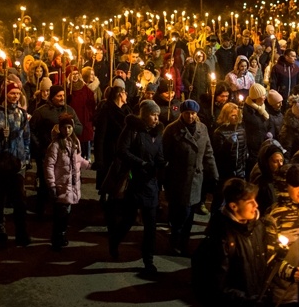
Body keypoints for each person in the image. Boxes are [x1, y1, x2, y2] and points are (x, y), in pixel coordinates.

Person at [190, 178, 269, 307]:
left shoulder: (257, 227)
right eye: (250, 202)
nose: (256, 205)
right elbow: (216, 287)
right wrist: (246, 302)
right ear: (234, 206)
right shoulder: (220, 238)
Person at [107, 100, 165, 274]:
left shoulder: (157, 132)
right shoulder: (132, 129)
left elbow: (159, 153)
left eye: (157, 115)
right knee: (129, 219)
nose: (156, 118)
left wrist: (161, 164)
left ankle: (148, 260)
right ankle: (115, 241)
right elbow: (122, 151)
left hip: (151, 184)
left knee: (151, 225)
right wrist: (141, 163)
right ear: (145, 115)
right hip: (135, 181)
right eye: (153, 115)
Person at [163, 99, 219, 256]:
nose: (190, 116)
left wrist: (214, 173)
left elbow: (208, 153)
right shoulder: (172, 130)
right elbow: (164, 155)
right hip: (178, 179)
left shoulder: (202, 129)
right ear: (182, 113)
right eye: (187, 113)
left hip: (195, 180)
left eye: (193, 113)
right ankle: (175, 242)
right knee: (180, 214)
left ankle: (184, 243)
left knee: (189, 216)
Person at [0, 80, 31, 248]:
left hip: (17, 162)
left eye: (18, 94)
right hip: (0, 162)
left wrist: (26, 156)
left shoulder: (22, 114)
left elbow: (26, 137)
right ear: (5, 94)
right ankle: (0, 229)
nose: (15, 96)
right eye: (12, 93)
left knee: (20, 200)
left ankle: (21, 231)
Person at [263, 163, 299, 307]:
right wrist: (289, 273)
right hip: (283, 290)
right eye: (296, 186)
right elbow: (269, 255)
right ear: (284, 187)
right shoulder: (275, 216)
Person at [29, 84, 83, 216]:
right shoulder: (41, 112)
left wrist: (68, 128)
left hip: (65, 154)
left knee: (63, 182)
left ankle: (61, 209)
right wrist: (40, 147)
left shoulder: (69, 110)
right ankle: (41, 209)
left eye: (63, 95)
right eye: (59, 96)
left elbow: (79, 128)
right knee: (45, 181)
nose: (62, 98)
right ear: (52, 97)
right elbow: (31, 131)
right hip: (47, 153)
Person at [44, 113, 91, 251]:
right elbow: (49, 165)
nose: (68, 130)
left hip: (72, 184)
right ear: (60, 128)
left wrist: (89, 165)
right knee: (60, 213)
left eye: (70, 127)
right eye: (65, 127)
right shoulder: (56, 145)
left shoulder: (74, 142)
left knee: (66, 212)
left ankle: (62, 234)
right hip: (61, 184)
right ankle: (57, 236)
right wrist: (51, 184)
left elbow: (78, 159)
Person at [93, 84, 131, 199]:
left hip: (122, 151)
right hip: (109, 151)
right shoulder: (106, 111)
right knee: (108, 178)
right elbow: (100, 136)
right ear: (120, 94)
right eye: (125, 93)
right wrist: (99, 158)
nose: (126, 95)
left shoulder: (127, 110)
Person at [211, 102, 248, 213]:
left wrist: (242, 167)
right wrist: (228, 143)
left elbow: (244, 150)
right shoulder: (219, 132)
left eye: (237, 115)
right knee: (220, 200)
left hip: (239, 173)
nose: (235, 117)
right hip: (225, 174)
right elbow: (218, 154)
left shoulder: (241, 131)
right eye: (232, 115)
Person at [65, 65, 97, 162]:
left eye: (76, 74)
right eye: (72, 74)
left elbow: (92, 101)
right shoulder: (67, 88)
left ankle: (85, 158)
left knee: (85, 139)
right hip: (73, 118)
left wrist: (90, 114)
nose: (75, 76)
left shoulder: (84, 88)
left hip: (84, 118)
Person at [243, 82, 274, 176]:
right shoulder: (247, 111)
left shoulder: (263, 109)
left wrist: (270, 133)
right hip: (253, 150)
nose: (265, 97)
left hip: (264, 147)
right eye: (262, 95)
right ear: (256, 97)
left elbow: (270, 123)